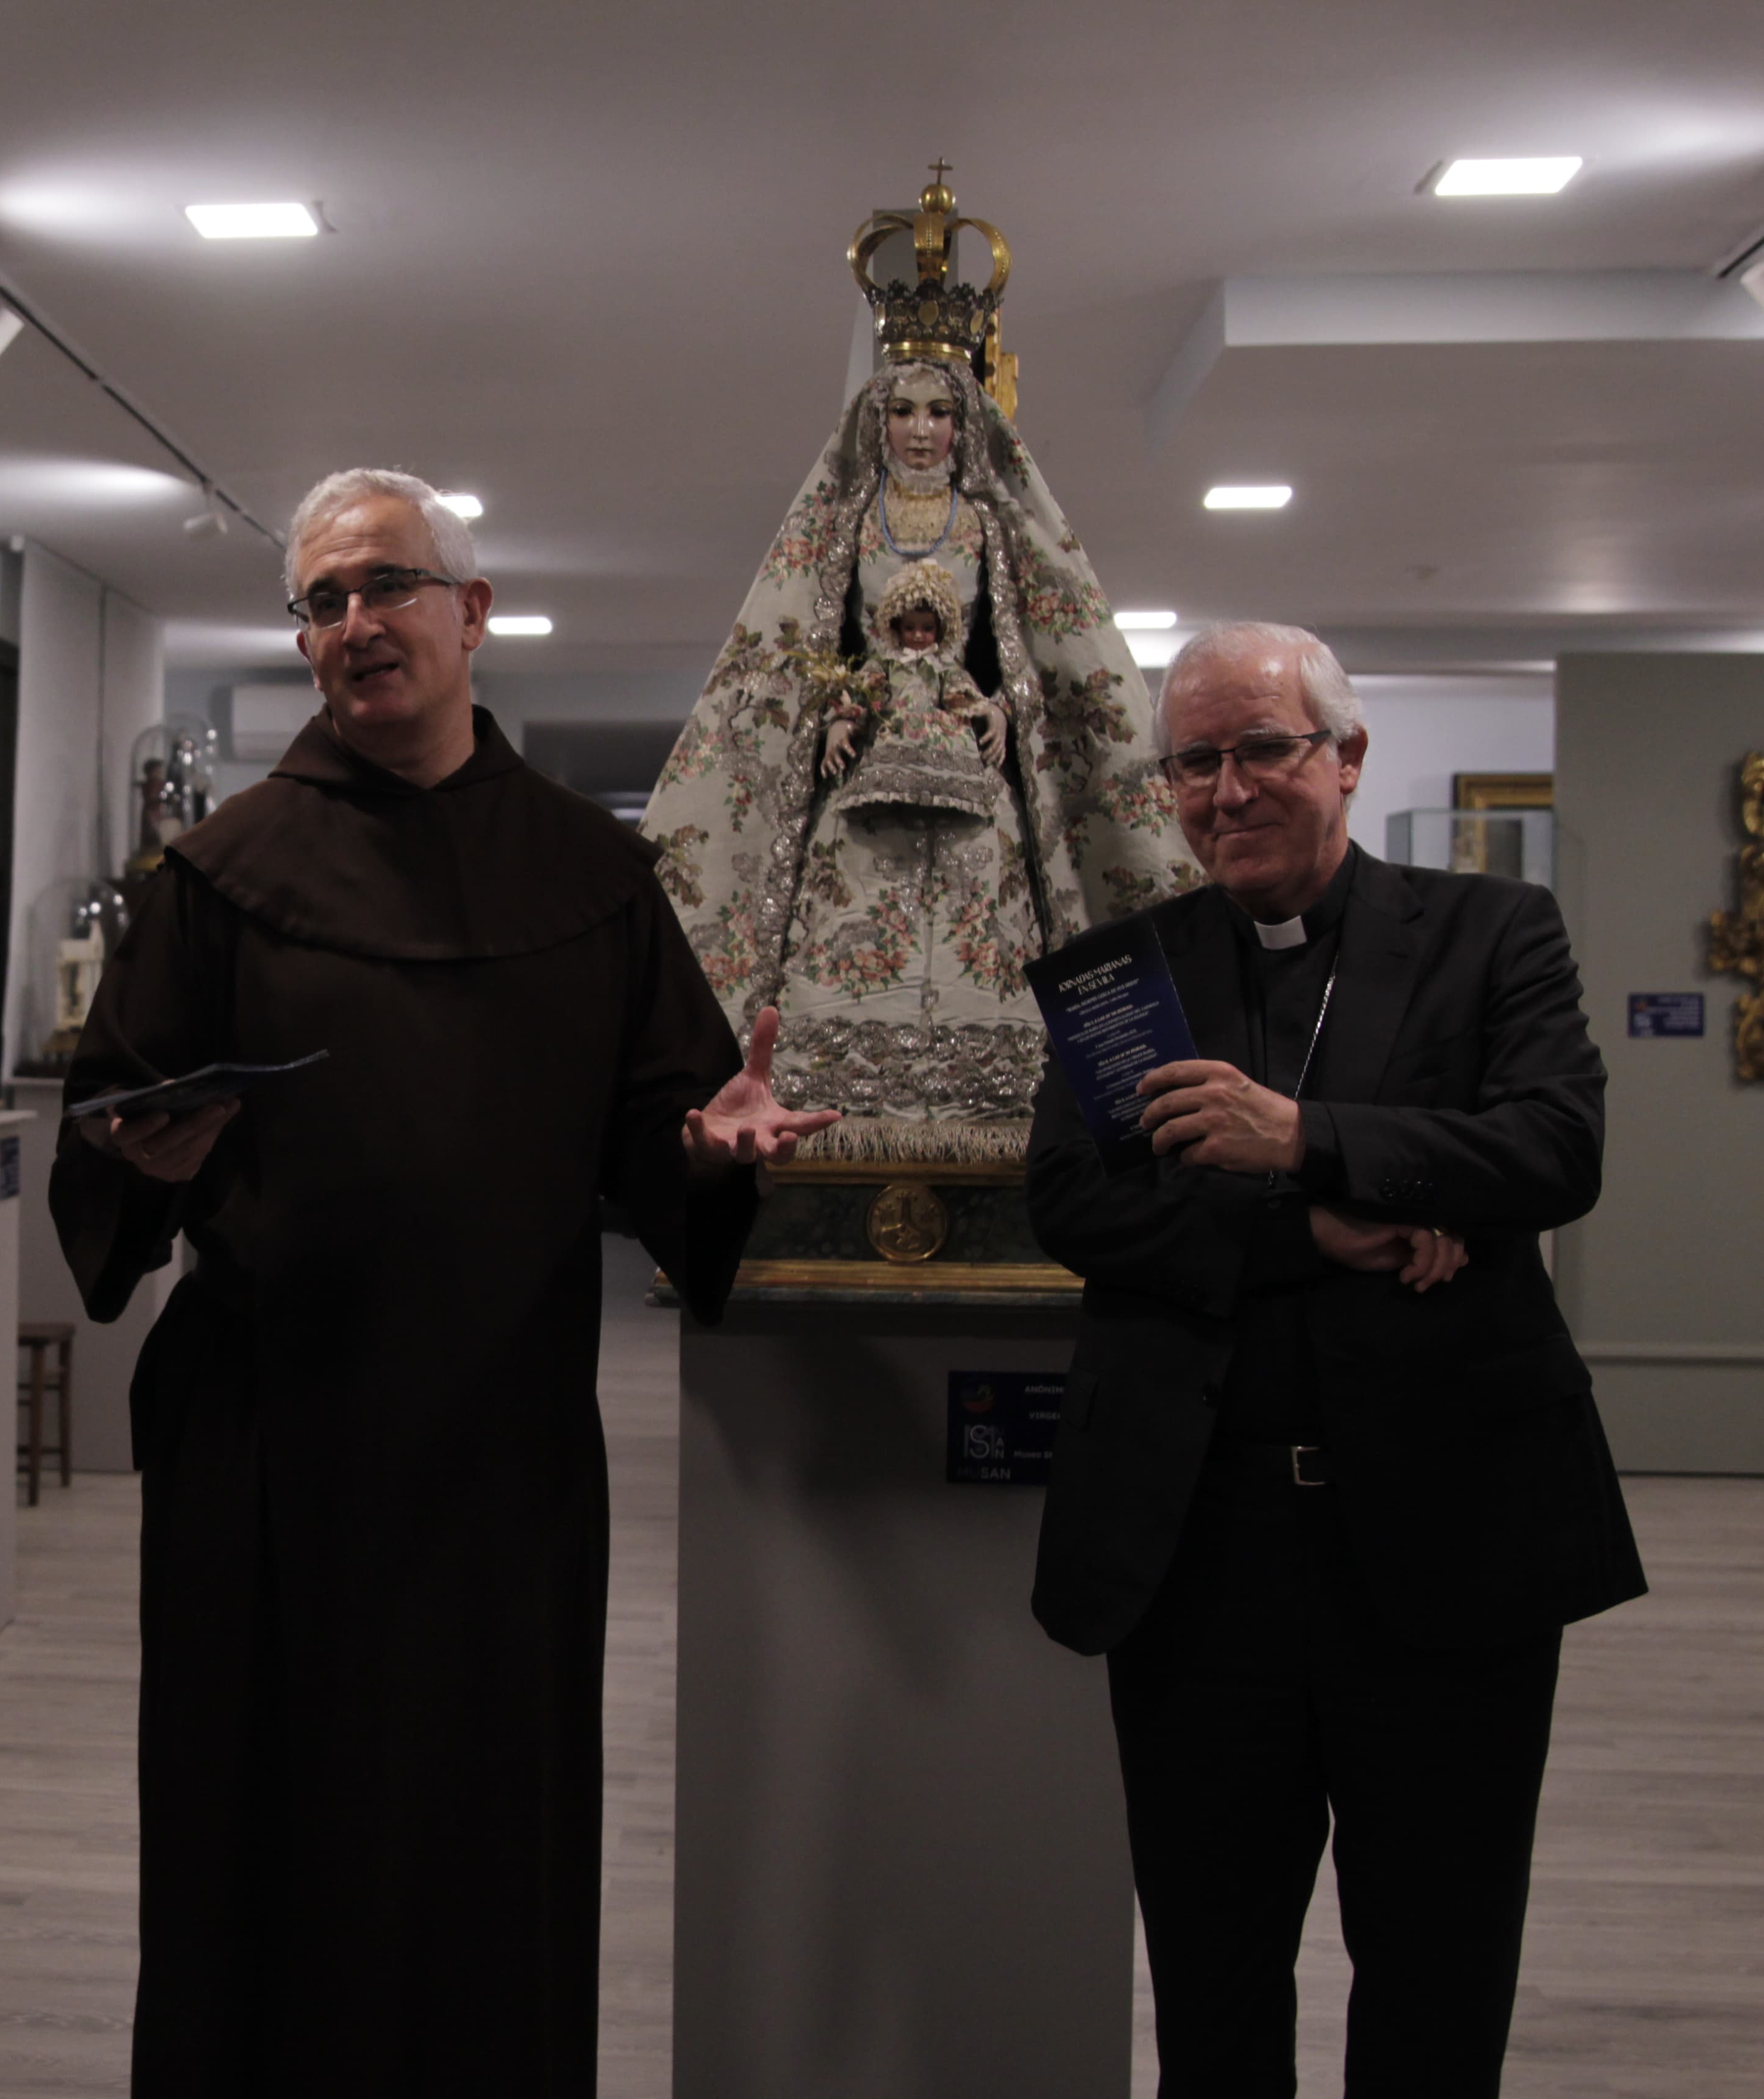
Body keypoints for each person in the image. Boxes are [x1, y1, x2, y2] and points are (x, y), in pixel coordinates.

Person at [53, 467, 837, 2098]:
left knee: (487, 1837)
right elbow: (108, 1136)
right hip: (271, 1443)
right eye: (322, 601)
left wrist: (711, 1147)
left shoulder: (594, 878)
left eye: (387, 587)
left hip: (498, 1453)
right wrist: (148, 1166)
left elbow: (660, 1130)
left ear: (470, 614)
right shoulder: (219, 875)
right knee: (255, 1830)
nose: (354, 624)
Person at [1026, 622, 1647, 2098]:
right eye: (1193, 760)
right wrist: (1338, 1220)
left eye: (1261, 748)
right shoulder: (1124, 977)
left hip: (1447, 1540)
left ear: (1345, 758)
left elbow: (1554, 1146)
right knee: (1211, 1964)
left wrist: (1308, 1137)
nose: (1225, 788)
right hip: (1199, 1549)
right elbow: (1077, 1201)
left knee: (1436, 1965)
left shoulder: (1494, 934)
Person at [640, 204, 1193, 1162]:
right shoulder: (844, 523)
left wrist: (999, 708)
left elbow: (1030, 656)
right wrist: (836, 715)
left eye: (940, 410)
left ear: (965, 418)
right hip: (865, 773)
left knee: (991, 910)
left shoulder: (994, 521)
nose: (922, 430)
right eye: (902, 410)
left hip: (971, 775)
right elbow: (803, 650)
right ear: (875, 417)